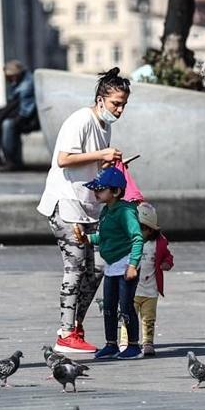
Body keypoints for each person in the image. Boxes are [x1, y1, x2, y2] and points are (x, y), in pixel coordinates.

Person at [37, 68, 131, 354]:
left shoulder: (105, 126)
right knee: (75, 266)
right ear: (100, 99)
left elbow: (89, 164)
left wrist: (108, 168)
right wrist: (102, 155)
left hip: (88, 206)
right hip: (66, 204)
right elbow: (64, 158)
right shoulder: (81, 120)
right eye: (116, 103)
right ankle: (65, 333)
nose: (120, 110)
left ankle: (75, 325)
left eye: (124, 104)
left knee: (100, 266)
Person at [74, 167, 144, 360]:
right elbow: (105, 237)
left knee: (126, 305)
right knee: (109, 306)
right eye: (95, 189)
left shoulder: (125, 212)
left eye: (100, 189)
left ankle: (133, 346)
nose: (96, 192)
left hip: (125, 262)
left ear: (116, 191)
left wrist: (133, 265)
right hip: (112, 265)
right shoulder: (106, 211)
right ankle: (111, 344)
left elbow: (137, 238)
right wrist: (87, 239)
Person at [118, 202, 174, 356]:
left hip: (151, 290)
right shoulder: (127, 242)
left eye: (142, 229)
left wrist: (166, 263)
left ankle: (148, 342)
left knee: (148, 319)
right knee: (127, 317)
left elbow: (168, 256)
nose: (137, 231)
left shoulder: (159, 243)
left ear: (150, 230)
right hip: (131, 289)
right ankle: (125, 342)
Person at [0, 59, 39, 171]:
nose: (10, 79)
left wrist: (11, 119)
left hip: (29, 119)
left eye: (12, 76)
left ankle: (11, 160)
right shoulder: (19, 82)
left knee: (7, 124)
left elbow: (25, 111)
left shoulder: (26, 85)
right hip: (21, 115)